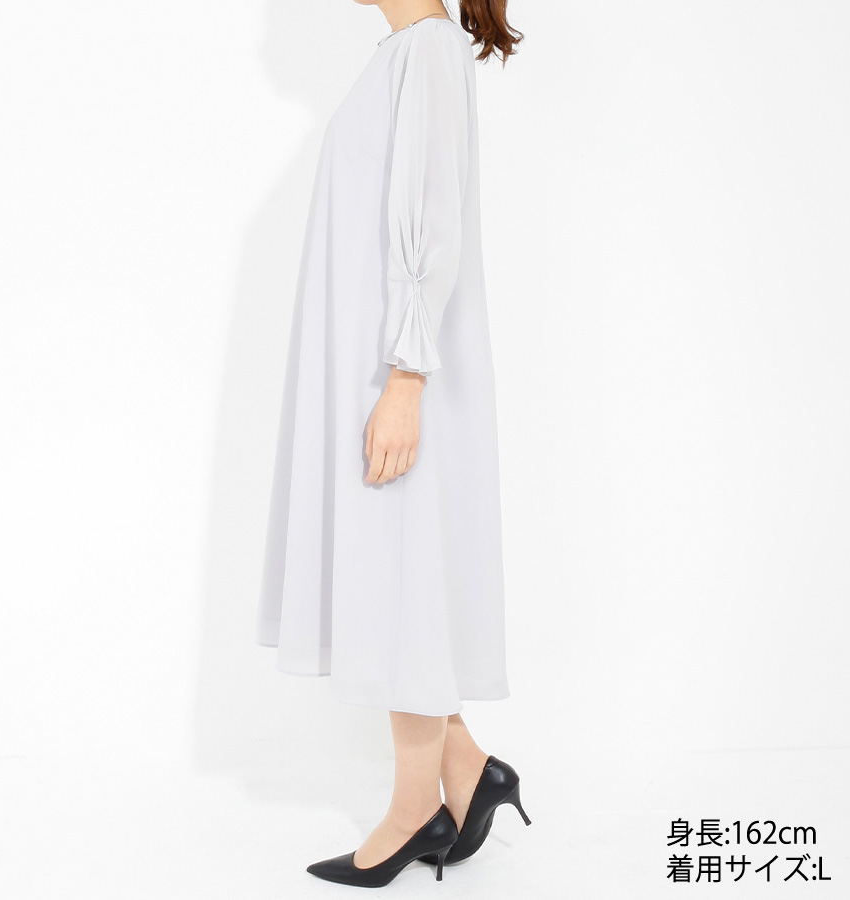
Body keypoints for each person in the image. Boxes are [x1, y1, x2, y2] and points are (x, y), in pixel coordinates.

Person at [257, 0, 528, 887]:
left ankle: (415, 810)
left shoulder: (429, 53)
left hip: (399, 376)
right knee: (394, 575)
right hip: (378, 374)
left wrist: (405, 381)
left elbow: (432, 221)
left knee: (404, 582)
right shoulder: (401, 54)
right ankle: (469, 770)